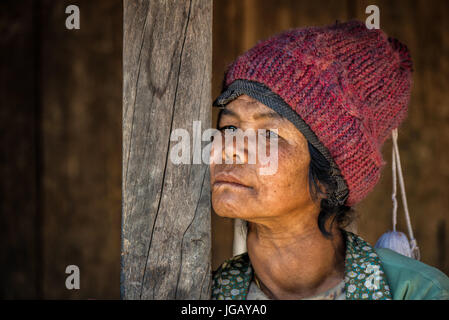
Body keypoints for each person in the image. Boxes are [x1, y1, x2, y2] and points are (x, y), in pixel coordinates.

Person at [209, 20, 449, 300]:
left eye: (269, 135)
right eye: (229, 129)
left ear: (329, 178)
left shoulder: (417, 293)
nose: (230, 149)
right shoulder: (198, 291)